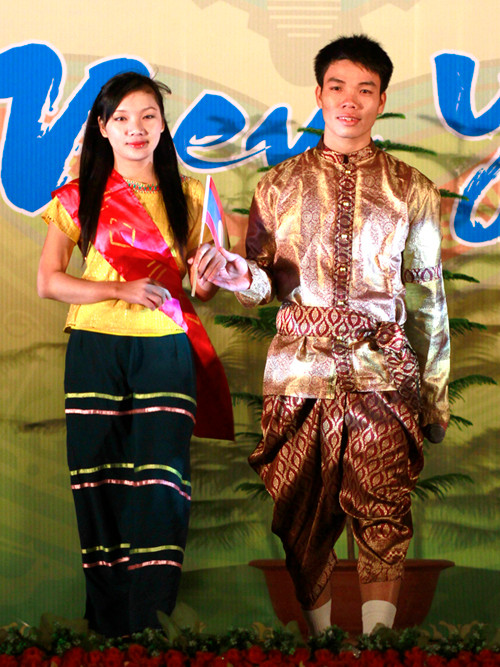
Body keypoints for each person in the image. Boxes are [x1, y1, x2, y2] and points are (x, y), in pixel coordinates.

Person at [195, 34, 450, 635]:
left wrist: (433, 395)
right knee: (301, 516)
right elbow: (265, 282)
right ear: (319, 94)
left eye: (364, 90)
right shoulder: (278, 184)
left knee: (384, 506)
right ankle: (321, 645)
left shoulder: (410, 187)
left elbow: (426, 297)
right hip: (298, 370)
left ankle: (378, 647)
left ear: (381, 99)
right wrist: (234, 273)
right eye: (338, 87)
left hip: (381, 371)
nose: (349, 101)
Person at [37, 72, 233, 637]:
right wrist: (118, 289)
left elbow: (202, 289)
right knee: (97, 481)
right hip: (95, 348)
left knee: (161, 485)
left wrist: (208, 276)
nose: (135, 128)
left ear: (164, 125)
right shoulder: (79, 197)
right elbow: (50, 282)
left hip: (166, 351)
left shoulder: (191, 196)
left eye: (148, 116)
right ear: (102, 128)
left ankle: (153, 624)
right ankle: (106, 628)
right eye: (121, 118)